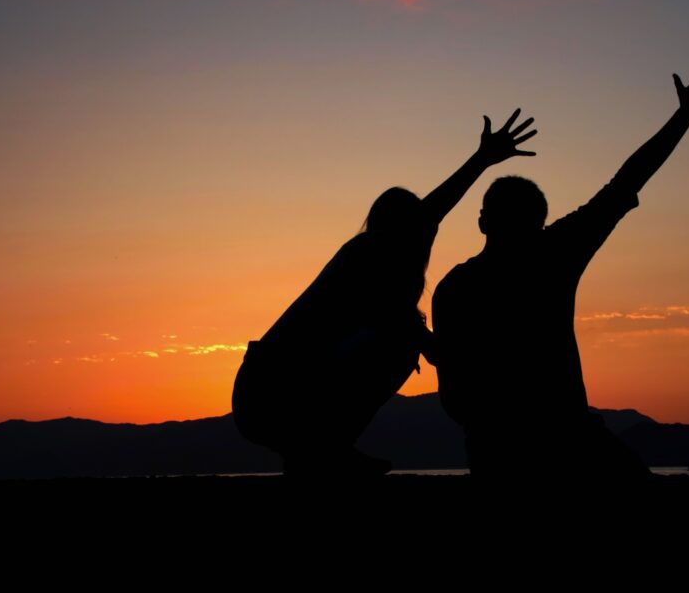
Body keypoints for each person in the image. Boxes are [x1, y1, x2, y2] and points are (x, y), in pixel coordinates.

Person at [430, 57, 689, 477]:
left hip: (499, 448)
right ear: (540, 222)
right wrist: (683, 116)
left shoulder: (456, 287)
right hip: (565, 440)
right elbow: (626, 182)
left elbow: (455, 397)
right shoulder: (553, 253)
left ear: (483, 222)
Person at [231, 109, 538, 475]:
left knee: (400, 339)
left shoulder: (372, 265)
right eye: (415, 224)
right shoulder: (368, 254)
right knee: (400, 344)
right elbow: (431, 215)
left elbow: (429, 217)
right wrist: (481, 160)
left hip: (269, 395)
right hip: (269, 396)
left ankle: (320, 450)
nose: (424, 231)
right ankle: (325, 449)